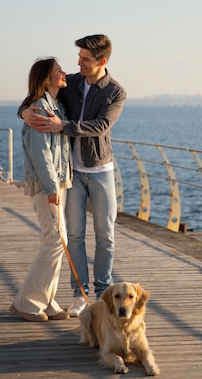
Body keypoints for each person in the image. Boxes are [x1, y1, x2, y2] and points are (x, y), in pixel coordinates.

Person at [19, 34, 126, 317]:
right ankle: (79, 295)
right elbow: (37, 99)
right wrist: (24, 112)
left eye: (85, 60)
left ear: (101, 61)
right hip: (72, 175)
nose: (78, 64)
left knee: (106, 236)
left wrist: (62, 126)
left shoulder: (115, 91)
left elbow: (101, 125)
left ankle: (105, 294)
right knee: (73, 236)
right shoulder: (73, 83)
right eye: (78, 58)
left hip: (101, 171)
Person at [9, 57, 72, 322]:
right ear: (46, 79)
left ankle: (46, 300)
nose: (64, 72)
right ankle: (27, 302)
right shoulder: (39, 109)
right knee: (55, 240)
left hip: (59, 181)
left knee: (58, 240)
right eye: (58, 70)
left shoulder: (55, 104)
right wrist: (50, 188)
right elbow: (40, 152)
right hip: (49, 184)